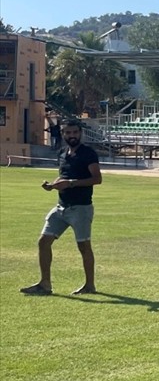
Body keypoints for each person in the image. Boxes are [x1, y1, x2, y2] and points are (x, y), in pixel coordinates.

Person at [21, 120, 102, 296]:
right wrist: (52, 185)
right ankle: (45, 284)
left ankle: (90, 285)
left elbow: (97, 179)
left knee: (84, 246)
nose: (71, 136)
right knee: (43, 241)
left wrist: (71, 184)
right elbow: (63, 176)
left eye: (74, 132)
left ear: (80, 133)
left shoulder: (88, 154)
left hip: (81, 208)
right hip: (61, 207)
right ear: (63, 134)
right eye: (67, 133)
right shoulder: (62, 154)